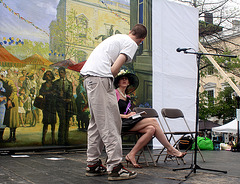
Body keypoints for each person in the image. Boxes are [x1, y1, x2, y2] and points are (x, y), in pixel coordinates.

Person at [80, 24, 147, 181]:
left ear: (131, 31)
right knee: (111, 122)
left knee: (97, 124)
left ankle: (93, 164)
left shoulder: (118, 38)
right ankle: (116, 167)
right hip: (101, 78)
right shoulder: (131, 43)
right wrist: (112, 80)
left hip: (90, 78)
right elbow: (114, 69)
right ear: (141, 40)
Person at [114, 70, 186, 168]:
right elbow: (109, 112)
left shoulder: (127, 97)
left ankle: (131, 154)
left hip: (128, 122)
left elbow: (127, 112)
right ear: (118, 82)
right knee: (153, 121)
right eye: (121, 79)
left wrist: (132, 114)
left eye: (125, 79)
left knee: (151, 129)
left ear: (129, 82)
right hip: (118, 122)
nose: (124, 80)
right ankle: (170, 149)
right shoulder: (114, 93)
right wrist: (125, 116)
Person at [53, 67, 74, 146]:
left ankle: (66, 139)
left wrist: (68, 98)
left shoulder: (69, 83)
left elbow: (70, 93)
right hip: (60, 104)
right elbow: (54, 93)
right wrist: (59, 94)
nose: (61, 74)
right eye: (59, 72)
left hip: (67, 104)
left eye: (62, 72)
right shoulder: (56, 83)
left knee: (66, 122)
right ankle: (60, 140)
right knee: (62, 121)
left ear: (64, 73)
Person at [39, 70, 57, 145]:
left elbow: (56, 92)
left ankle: (53, 139)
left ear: (52, 76)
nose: (48, 76)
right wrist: (49, 93)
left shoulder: (54, 84)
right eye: (46, 75)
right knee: (45, 123)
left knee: (53, 123)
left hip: (52, 105)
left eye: (49, 75)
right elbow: (40, 93)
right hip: (46, 105)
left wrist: (47, 93)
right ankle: (43, 139)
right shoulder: (43, 85)